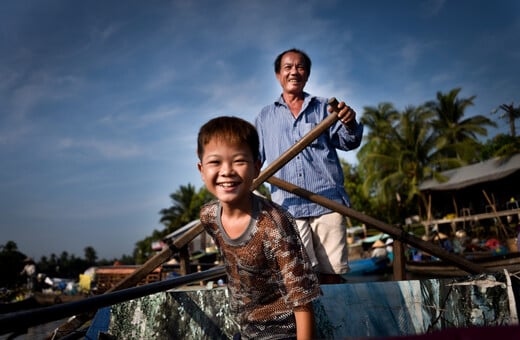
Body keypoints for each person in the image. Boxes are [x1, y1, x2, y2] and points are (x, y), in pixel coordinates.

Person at [197, 116, 320, 340]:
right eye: (215, 162)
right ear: (201, 169)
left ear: (256, 168)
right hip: (245, 329)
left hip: (282, 331)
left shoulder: (273, 225)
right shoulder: (208, 217)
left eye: (239, 161)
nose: (227, 171)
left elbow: (302, 302)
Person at [255, 48, 363, 284]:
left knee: (332, 275)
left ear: (308, 74)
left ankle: (335, 321)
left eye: (300, 67)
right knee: (300, 278)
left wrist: (350, 122)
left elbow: (349, 141)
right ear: (277, 75)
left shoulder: (325, 108)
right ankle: (308, 322)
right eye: (288, 67)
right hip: (288, 208)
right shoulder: (264, 117)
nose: (294, 71)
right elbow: (255, 160)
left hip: (328, 202)